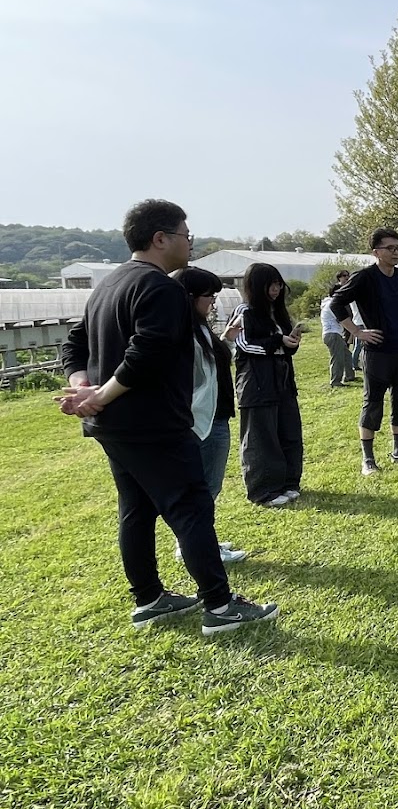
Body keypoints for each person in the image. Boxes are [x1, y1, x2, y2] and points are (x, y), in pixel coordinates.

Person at [57, 198, 278, 634]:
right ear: (160, 238)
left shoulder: (108, 284)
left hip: (114, 425)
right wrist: (98, 392)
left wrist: (85, 389)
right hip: (153, 422)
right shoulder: (161, 288)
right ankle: (220, 606)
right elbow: (147, 353)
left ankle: (150, 599)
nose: (190, 243)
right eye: (185, 235)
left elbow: (73, 344)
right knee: (191, 506)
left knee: (136, 509)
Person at [330, 227, 398, 476]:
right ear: (376, 252)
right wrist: (357, 332)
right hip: (377, 352)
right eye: (390, 248)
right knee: (372, 402)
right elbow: (336, 303)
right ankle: (368, 459)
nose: (396, 253)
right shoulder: (364, 277)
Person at [172, 267, 246, 563]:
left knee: (206, 488)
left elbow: (211, 365)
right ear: (190, 297)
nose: (213, 302)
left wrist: (226, 339)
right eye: (208, 296)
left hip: (215, 416)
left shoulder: (199, 327)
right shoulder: (182, 332)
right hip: (203, 420)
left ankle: (201, 540)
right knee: (203, 488)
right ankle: (193, 546)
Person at [229, 262, 304, 508]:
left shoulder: (278, 312)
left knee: (289, 433)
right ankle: (264, 490)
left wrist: (290, 342)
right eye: (270, 285)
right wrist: (278, 341)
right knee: (262, 438)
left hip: (283, 381)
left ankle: (288, 482)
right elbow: (243, 345)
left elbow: (283, 346)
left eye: (278, 285)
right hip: (257, 383)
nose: (275, 290)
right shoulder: (245, 311)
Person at [320, 274, 356, 389]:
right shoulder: (332, 304)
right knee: (337, 358)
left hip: (334, 333)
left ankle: (350, 376)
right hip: (333, 333)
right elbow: (341, 319)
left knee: (346, 355)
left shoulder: (328, 303)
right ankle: (335, 381)